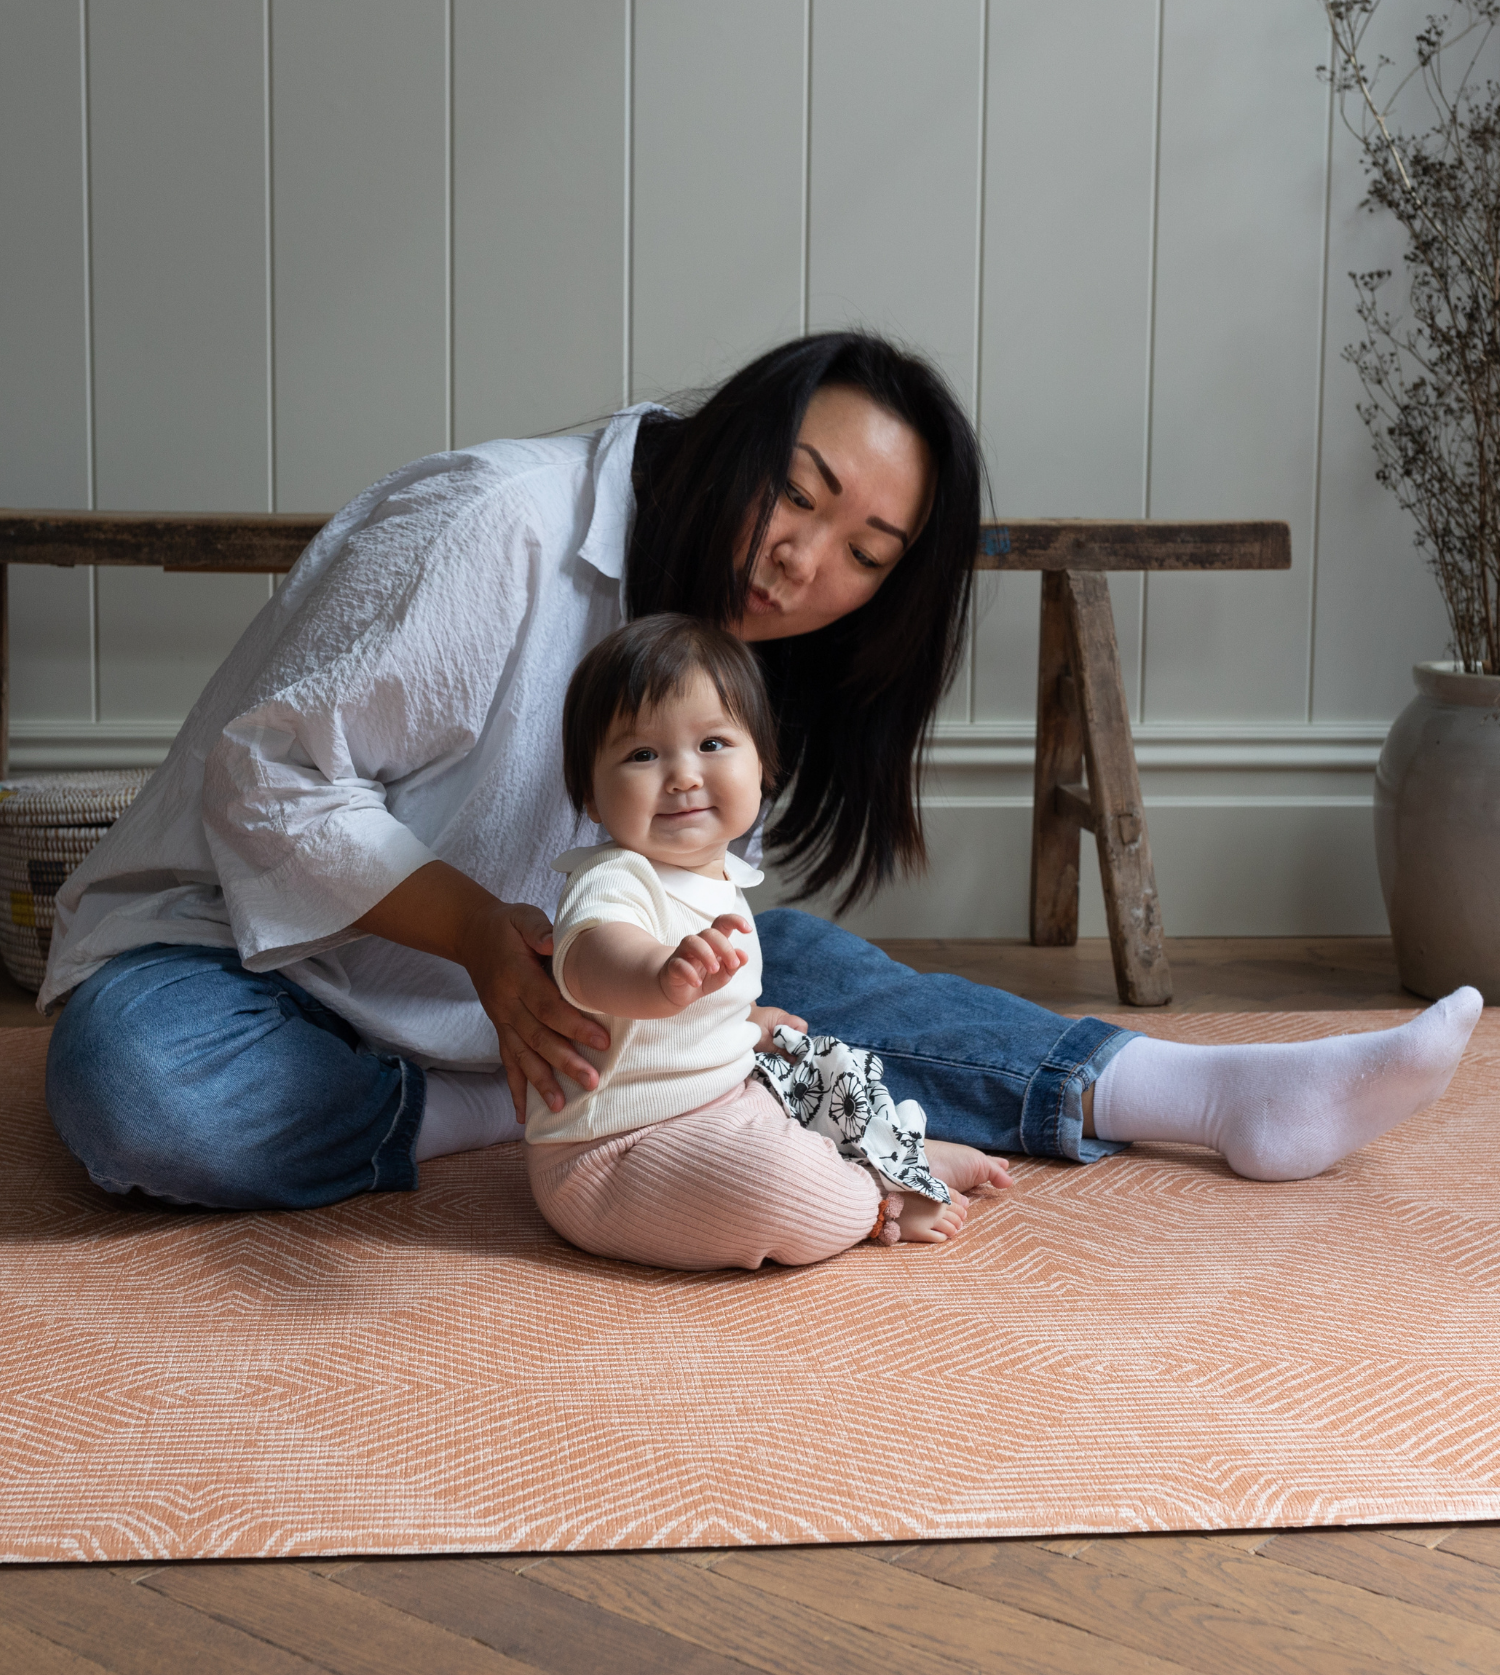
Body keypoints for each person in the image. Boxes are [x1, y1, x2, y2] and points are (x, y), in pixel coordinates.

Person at [39, 331, 1482, 1211]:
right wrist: (485, 947)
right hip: (243, 966)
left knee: (780, 964)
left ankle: (1214, 1098)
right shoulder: (500, 530)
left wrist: (673, 971)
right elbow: (266, 786)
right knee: (140, 1091)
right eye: (800, 492)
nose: (806, 562)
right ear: (735, 432)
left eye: (867, 554)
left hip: (566, 981)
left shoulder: (735, 634)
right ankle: (504, 1106)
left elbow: (672, 880)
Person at [528, 612, 1014, 1270]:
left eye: (713, 744)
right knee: (769, 1182)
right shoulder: (616, 877)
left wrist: (747, 1022)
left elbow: (698, 1022)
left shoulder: (724, 877)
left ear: (764, 766)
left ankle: (893, 1148)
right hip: (615, 1154)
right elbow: (589, 963)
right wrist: (656, 973)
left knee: (826, 1069)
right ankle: (876, 1194)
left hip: (729, 1102)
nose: (681, 775)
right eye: (642, 754)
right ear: (589, 793)